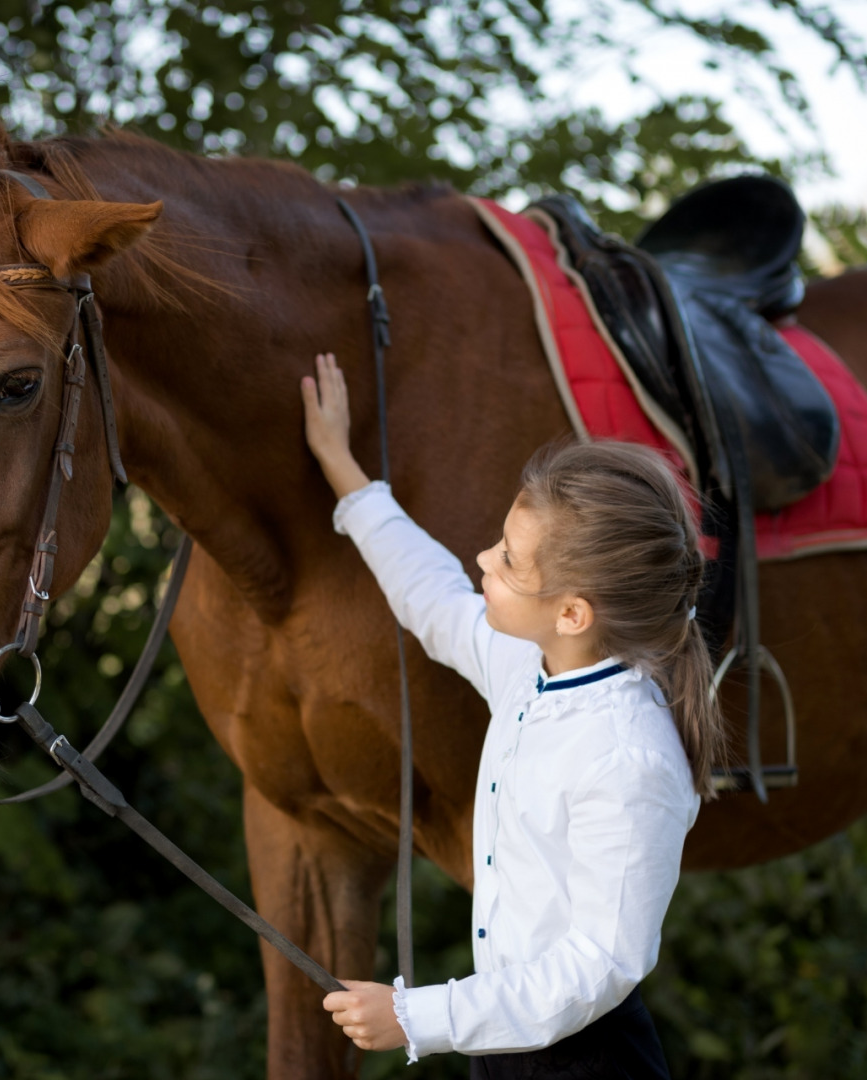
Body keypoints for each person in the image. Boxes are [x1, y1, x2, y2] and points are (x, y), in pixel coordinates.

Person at [300, 352, 723, 1077]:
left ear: (572, 611)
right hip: (502, 1047)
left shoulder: (630, 758)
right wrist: (342, 466)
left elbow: (600, 964)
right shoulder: (528, 665)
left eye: (508, 561)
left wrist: (414, 1016)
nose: (482, 559)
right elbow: (430, 595)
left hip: (585, 1064)